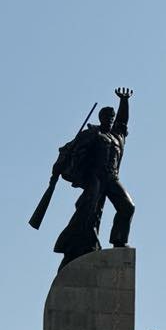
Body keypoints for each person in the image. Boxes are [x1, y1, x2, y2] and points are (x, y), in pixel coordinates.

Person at [53, 87, 135, 264]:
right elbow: (70, 149)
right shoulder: (93, 134)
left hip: (112, 178)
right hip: (95, 178)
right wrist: (61, 164)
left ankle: (119, 240)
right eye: (107, 117)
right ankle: (77, 246)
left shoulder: (117, 136)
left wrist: (124, 101)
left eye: (112, 117)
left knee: (127, 207)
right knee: (88, 212)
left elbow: (122, 122)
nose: (111, 120)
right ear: (101, 119)